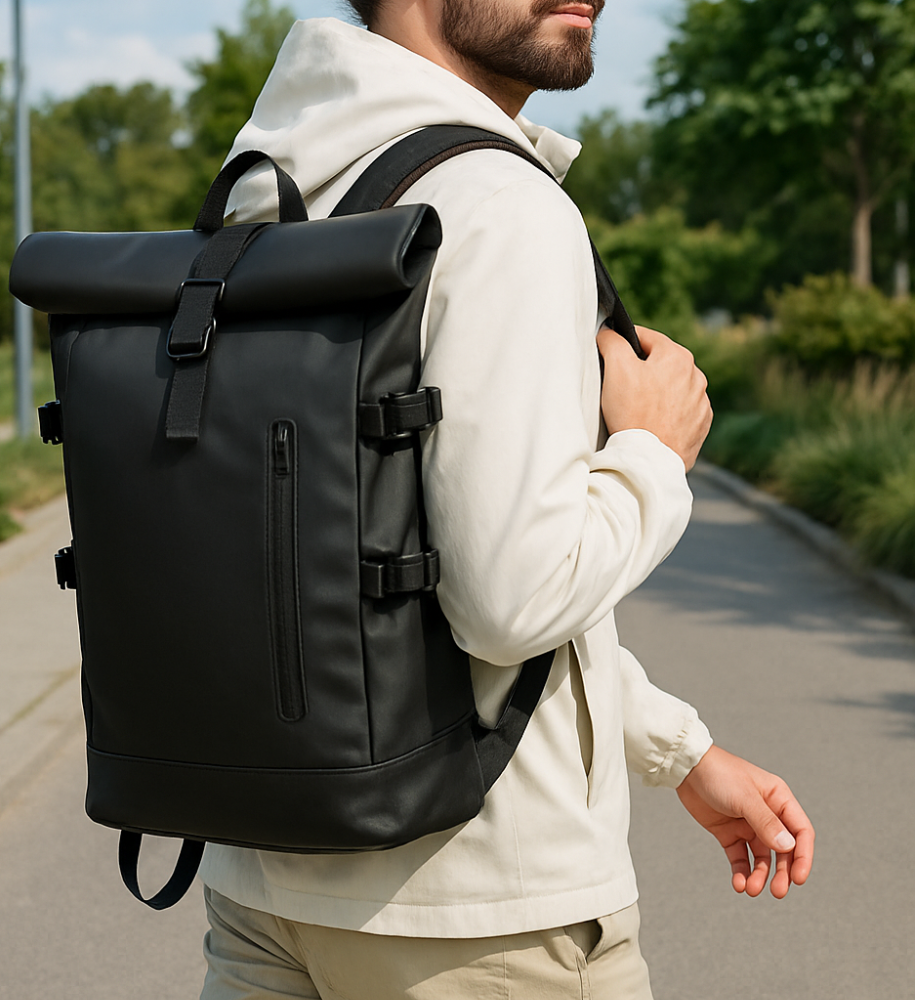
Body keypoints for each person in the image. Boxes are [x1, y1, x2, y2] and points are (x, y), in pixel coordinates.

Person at [197, 3, 815, 997]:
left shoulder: (278, 180)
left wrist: (680, 751)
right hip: (481, 917)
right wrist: (653, 452)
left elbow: (380, 567)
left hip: (267, 880)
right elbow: (509, 601)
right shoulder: (499, 204)